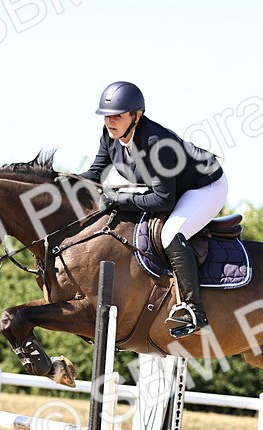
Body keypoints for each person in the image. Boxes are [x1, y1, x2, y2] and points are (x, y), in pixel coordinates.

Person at [79, 81, 227, 338]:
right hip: (171, 187)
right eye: (106, 116)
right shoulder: (110, 136)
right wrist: (62, 181)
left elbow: (163, 201)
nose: (110, 122)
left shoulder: (157, 143)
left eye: (117, 116)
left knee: (171, 233)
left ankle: (194, 309)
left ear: (136, 116)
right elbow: (94, 175)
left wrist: (118, 199)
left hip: (206, 187)